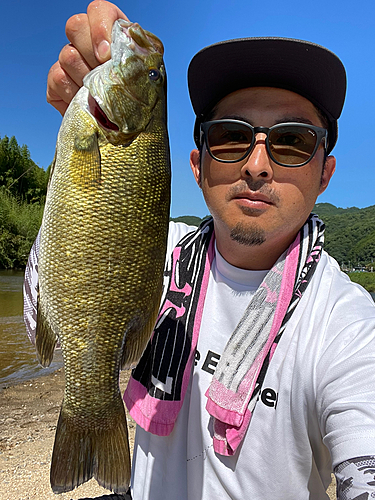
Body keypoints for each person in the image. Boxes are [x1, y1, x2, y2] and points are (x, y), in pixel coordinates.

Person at [24, 2, 375, 499]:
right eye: (230, 137)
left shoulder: (347, 328)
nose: (256, 165)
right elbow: (42, 308)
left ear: (325, 173)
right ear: (196, 165)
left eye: (292, 141)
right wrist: (71, 144)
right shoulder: (160, 254)